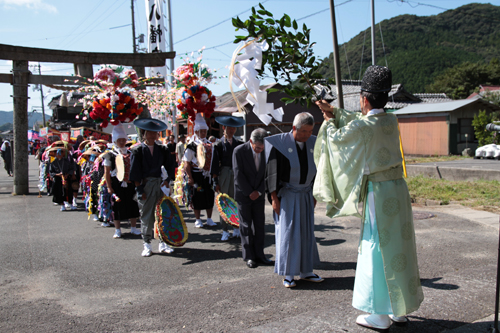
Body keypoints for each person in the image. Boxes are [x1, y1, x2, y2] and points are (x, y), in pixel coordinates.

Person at [314, 65, 424, 330]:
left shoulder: (365, 126)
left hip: (379, 191)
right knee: (399, 246)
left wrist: (328, 122)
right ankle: (398, 308)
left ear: (364, 99)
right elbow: (359, 121)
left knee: (377, 245)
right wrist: (335, 111)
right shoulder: (389, 119)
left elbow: (339, 140)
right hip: (397, 187)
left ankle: (380, 314)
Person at [265, 112, 323, 288]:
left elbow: (318, 172)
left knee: (306, 231)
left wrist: (314, 195)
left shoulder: (314, 143)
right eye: (303, 131)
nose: (307, 135)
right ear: (294, 128)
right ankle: (288, 274)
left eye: (310, 131)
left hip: (306, 193)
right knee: (288, 232)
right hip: (288, 195)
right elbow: (272, 173)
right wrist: (274, 198)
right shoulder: (280, 144)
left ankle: (306, 271)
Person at [130, 118, 176, 257]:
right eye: (149, 132)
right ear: (144, 133)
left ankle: (163, 242)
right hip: (145, 184)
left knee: (162, 214)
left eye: (154, 133)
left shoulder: (162, 149)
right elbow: (135, 171)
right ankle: (147, 244)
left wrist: (167, 181)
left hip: (160, 184)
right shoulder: (137, 150)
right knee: (146, 215)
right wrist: (139, 190)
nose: (152, 135)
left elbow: (170, 166)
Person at [233, 128, 273, 268]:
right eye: (257, 148)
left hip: (259, 194)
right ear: (250, 141)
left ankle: (260, 255)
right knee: (246, 226)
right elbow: (238, 175)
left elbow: (268, 173)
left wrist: (260, 191)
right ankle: (249, 256)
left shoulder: (267, 151)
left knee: (260, 225)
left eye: (262, 148)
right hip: (244, 194)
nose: (260, 151)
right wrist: (250, 192)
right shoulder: (239, 151)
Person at [103, 123, 141, 239]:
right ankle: (118, 229)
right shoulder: (110, 155)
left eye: (123, 139)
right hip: (117, 183)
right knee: (117, 206)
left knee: (132, 204)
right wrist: (109, 187)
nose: (121, 142)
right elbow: (107, 173)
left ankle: (134, 228)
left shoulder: (131, 153)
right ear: (114, 141)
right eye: (119, 140)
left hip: (130, 182)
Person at [212, 116, 245, 241]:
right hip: (224, 173)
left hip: (236, 174)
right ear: (224, 128)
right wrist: (215, 181)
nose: (231, 130)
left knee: (236, 200)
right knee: (224, 201)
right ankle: (224, 230)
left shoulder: (239, 144)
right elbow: (215, 165)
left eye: (233, 128)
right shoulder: (219, 145)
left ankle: (236, 226)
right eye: (229, 128)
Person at [183, 113, 217, 228]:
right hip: (196, 174)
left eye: (204, 131)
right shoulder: (191, 146)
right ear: (196, 132)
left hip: (208, 175)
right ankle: (197, 219)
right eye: (201, 131)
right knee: (197, 196)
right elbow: (186, 162)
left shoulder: (210, 145)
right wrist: (190, 177)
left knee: (209, 195)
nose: (203, 133)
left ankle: (209, 218)